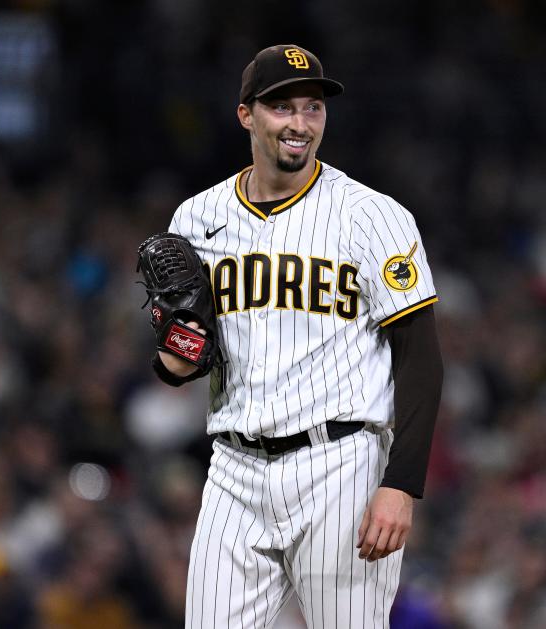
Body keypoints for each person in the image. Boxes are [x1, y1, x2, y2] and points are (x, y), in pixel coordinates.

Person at [152, 43, 443, 628]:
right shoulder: (196, 219)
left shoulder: (371, 215)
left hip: (340, 465)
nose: (300, 123)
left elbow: (421, 358)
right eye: (283, 107)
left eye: (313, 108)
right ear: (246, 115)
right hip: (234, 468)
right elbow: (176, 365)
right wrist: (179, 347)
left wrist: (402, 485)